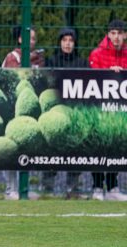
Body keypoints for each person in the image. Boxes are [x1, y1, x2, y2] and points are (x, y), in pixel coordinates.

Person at [44, 27, 89, 199]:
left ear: (75, 43)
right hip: (55, 113)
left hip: (75, 115)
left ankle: (73, 189)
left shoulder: (82, 63)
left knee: (75, 151)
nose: (68, 43)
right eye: (64, 40)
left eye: (71, 40)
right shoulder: (51, 62)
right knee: (51, 151)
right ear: (60, 42)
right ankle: (47, 189)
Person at [2, 25, 44, 200]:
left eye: (33, 38)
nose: (31, 41)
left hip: (32, 109)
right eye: (28, 38)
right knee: (12, 147)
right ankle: (10, 188)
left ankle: (26, 188)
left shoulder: (40, 59)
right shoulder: (12, 58)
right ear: (20, 39)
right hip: (12, 108)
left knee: (29, 148)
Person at [88, 19, 127, 201]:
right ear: (108, 34)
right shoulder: (97, 54)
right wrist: (109, 73)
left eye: (120, 33)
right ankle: (97, 186)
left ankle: (112, 187)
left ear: (125, 35)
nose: (116, 37)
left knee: (116, 146)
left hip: (120, 112)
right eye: (113, 33)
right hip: (99, 110)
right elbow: (91, 78)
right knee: (98, 146)